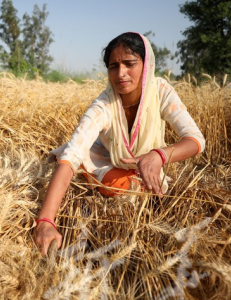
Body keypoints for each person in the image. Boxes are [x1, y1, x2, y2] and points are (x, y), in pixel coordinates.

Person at [33, 32, 205, 255]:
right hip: (103, 156)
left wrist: (158, 156)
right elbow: (72, 156)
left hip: (150, 160)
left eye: (129, 63)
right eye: (113, 66)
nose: (121, 73)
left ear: (147, 65)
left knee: (156, 192)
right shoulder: (103, 105)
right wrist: (46, 221)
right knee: (125, 187)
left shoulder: (161, 91)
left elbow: (195, 139)